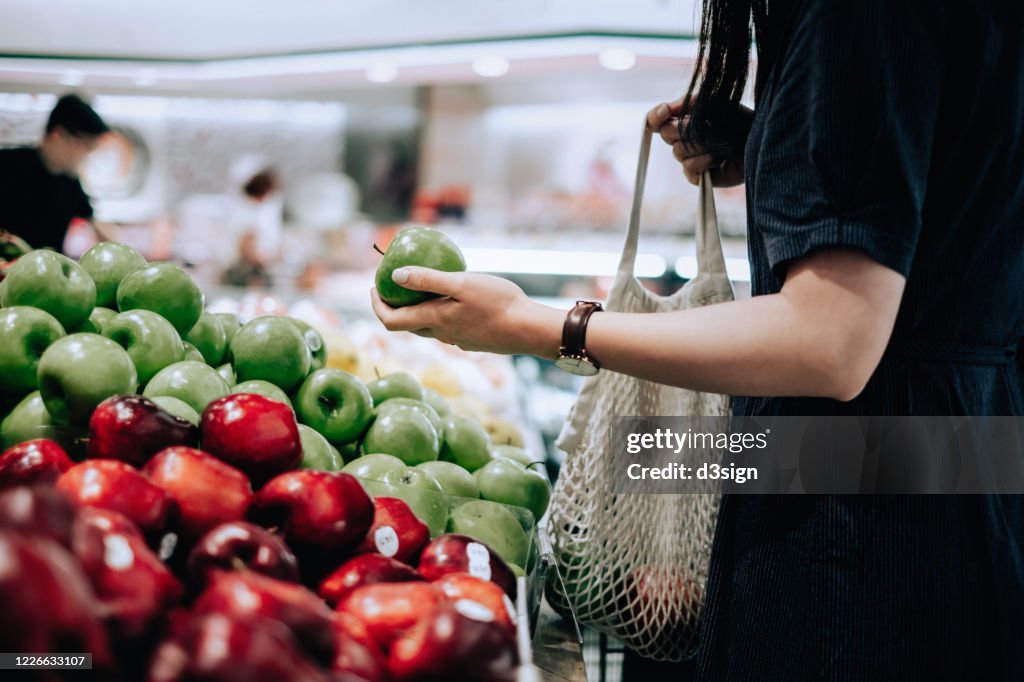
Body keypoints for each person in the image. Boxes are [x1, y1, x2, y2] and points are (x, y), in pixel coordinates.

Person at [372, 1, 1024, 679]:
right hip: (956, 454)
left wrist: (537, 326)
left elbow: (831, 342)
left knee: (642, 470)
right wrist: (782, 141)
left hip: (858, 501)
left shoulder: (855, 17)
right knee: (646, 462)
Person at [0, 93, 112, 252]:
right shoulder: (8, 165)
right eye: (85, 146)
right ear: (58, 135)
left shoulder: (70, 181)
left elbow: (94, 222)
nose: (86, 156)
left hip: (51, 273)